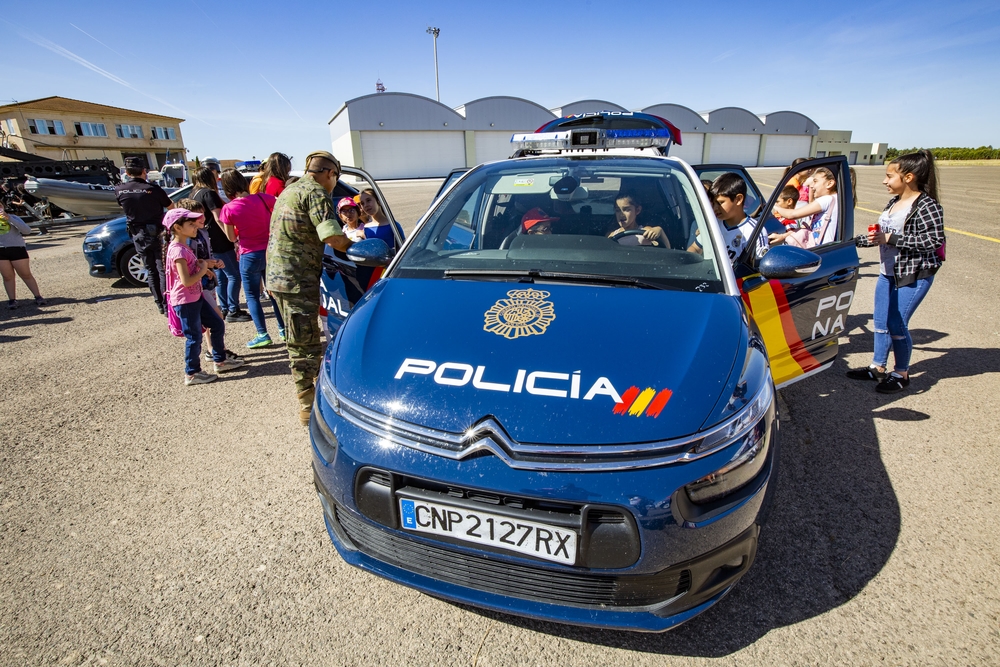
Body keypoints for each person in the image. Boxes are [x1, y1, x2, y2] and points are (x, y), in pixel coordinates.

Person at [266, 150, 354, 425]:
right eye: (334, 178)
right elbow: (330, 235)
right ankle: (307, 407)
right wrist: (355, 247)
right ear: (329, 173)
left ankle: (308, 397)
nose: (333, 185)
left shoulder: (290, 191)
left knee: (299, 338)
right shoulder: (315, 192)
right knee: (303, 344)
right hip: (296, 281)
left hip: (279, 277)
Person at [848, 150, 945, 394]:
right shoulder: (894, 202)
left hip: (912, 274)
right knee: (881, 322)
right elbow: (881, 235)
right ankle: (877, 367)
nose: (885, 181)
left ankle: (901, 373)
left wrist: (892, 237)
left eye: (890, 176)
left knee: (896, 324)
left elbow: (934, 240)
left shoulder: (926, 205)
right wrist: (852, 242)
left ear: (909, 177)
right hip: (887, 273)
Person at [162, 208, 245, 385]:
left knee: (216, 323)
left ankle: (220, 360)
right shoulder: (178, 251)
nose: (195, 228)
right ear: (177, 227)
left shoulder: (183, 247)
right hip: (185, 300)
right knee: (194, 337)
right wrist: (202, 270)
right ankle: (192, 373)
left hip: (195, 297)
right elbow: (186, 280)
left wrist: (204, 266)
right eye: (190, 224)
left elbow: (192, 271)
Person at [218, 169, 287, 348]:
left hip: (249, 254)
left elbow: (231, 238)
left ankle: (262, 334)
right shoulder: (264, 198)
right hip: (270, 252)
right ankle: (283, 330)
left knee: (252, 296)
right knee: (274, 294)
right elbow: (282, 204)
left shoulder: (228, 208)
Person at [114, 156, 172, 313]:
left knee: (151, 270)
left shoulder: (120, 190)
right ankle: (168, 304)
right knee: (162, 270)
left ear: (126, 172)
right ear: (144, 171)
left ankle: (159, 304)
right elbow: (171, 207)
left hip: (138, 235)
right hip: (157, 234)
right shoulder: (153, 190)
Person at [190, 167, 249, 323]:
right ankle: (233, 309)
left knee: (222, 275)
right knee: (234, 275)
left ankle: (224, 307)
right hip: (219, 239)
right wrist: (232, 238)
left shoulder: (194, 194)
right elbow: (218, 217)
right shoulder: (209, 194)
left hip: (207, 240)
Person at [768, 167, 839, 248]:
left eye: (815, 181)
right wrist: (783, 236)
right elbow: (806, 226)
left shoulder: (827, 199)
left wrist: (772, 206)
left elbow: (792, 214)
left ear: (829, 183)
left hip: (821, 249)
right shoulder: (833, 199)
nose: (812, 186)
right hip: (819, 248)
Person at [698, 173, 762, 262]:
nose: (715, 208)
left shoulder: (755, 232)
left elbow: (760, 269)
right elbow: (695, 248)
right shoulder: (713, 223)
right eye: (713, 203)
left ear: (739, 199)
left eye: (720, 203)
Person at [0, 206, 45, 308]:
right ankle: (12, 300)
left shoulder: (13, 217)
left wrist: (9, 218)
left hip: (16, 248)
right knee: (7, 276)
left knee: (25, 274)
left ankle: (38, 296)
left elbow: (27, 231)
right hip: (0, 250)